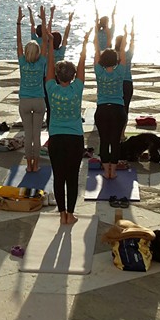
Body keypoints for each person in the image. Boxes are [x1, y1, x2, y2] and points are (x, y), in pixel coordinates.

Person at [45, 23, 90, 225]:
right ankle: (70, 214)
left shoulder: (51, 88)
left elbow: (49, 65)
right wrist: (85, 44)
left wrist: (50, 44)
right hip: (74, 138)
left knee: (59, 177)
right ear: (73, 77)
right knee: (72, 177)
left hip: (56, 138)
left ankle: (62, 213)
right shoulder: (77, 88)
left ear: (57, 76)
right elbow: (82, 64)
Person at [94, 19, 127, 180]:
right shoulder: (120, 71)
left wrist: (95, 38)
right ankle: (112, 171)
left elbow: (96, 51)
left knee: (104, 141)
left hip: (102, 109)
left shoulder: (99, 72)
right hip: (118, 110)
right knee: (115, 141)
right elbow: (122, 52)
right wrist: (125, 36)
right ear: (116, 60)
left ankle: (105, 170)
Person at [16, 6, 47, 173]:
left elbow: (19, 43)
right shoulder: (41, 61)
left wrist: (18, 23)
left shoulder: (22, 62)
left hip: (25, 101)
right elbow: (46, 41)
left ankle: (29, 165)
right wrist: (44, 20)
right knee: (37, 135)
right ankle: (36, 165)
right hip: (39, 100)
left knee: (28, 135)